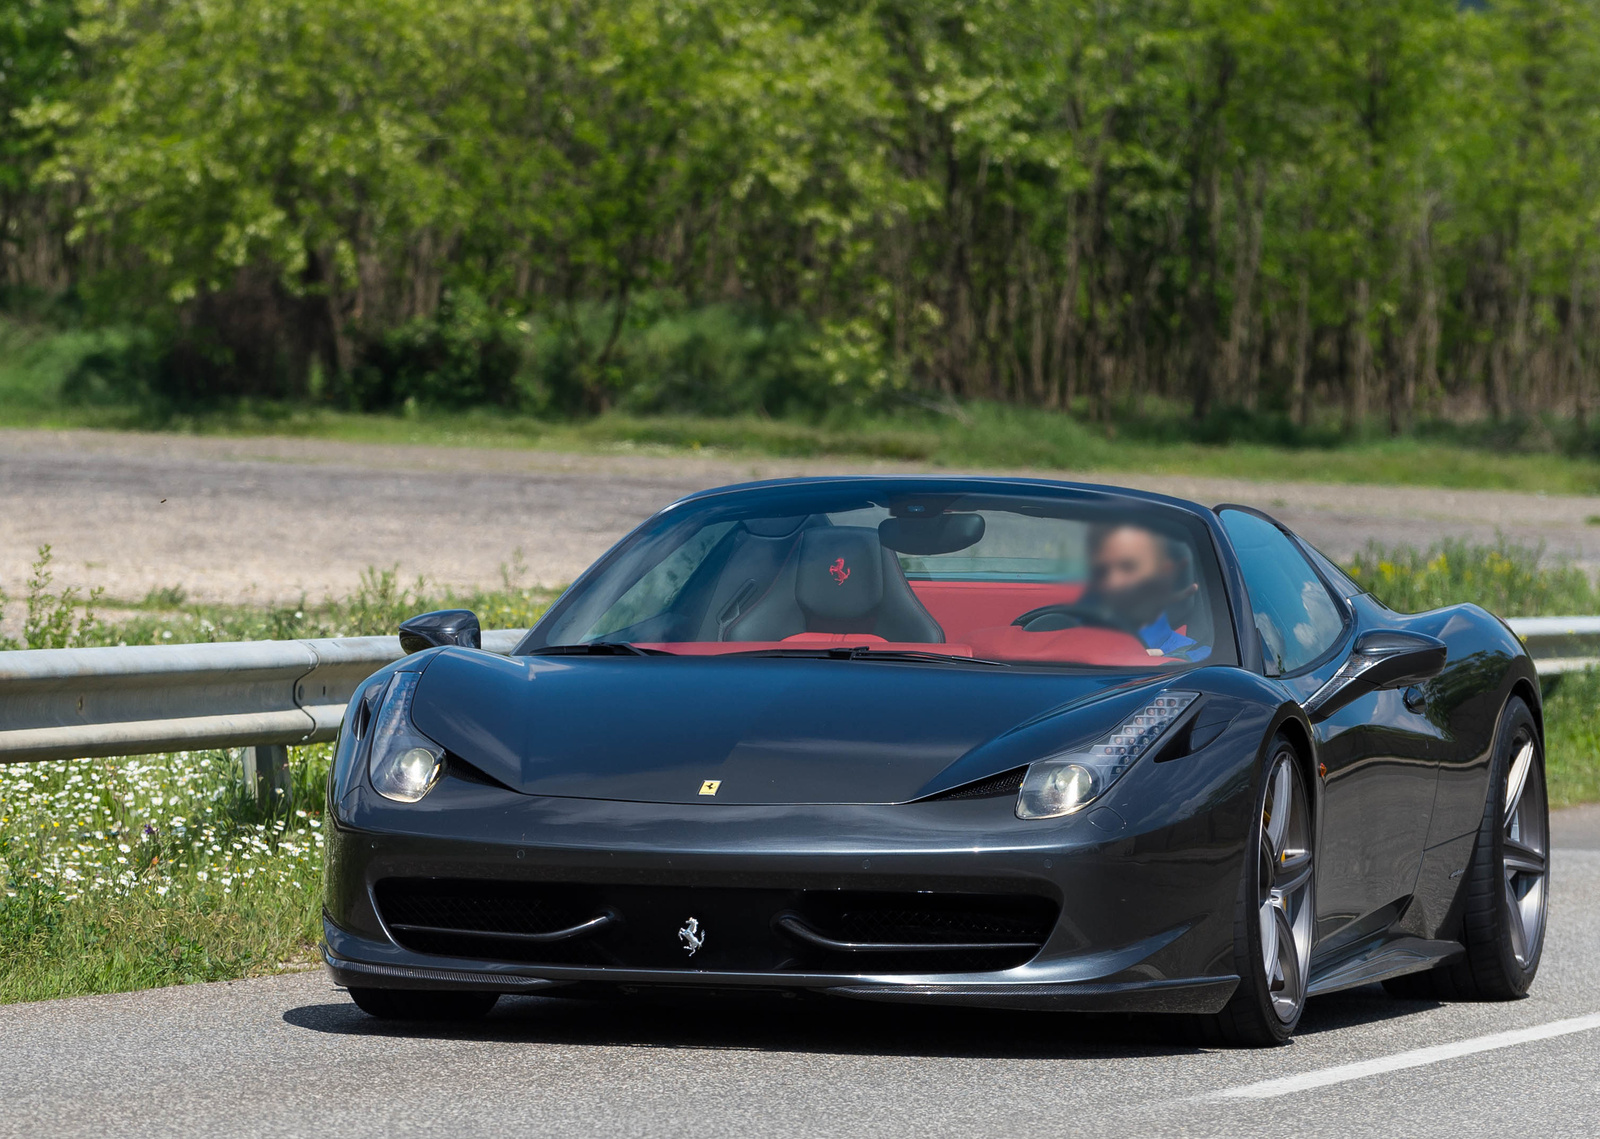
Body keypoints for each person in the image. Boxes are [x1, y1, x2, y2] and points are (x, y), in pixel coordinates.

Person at [1086, 524, 1211, 661]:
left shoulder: (1201, 657)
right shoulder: (1076, 634)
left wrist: (1166, 661)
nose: (1113, 580)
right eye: (1102, 569)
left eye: (1128, 567)